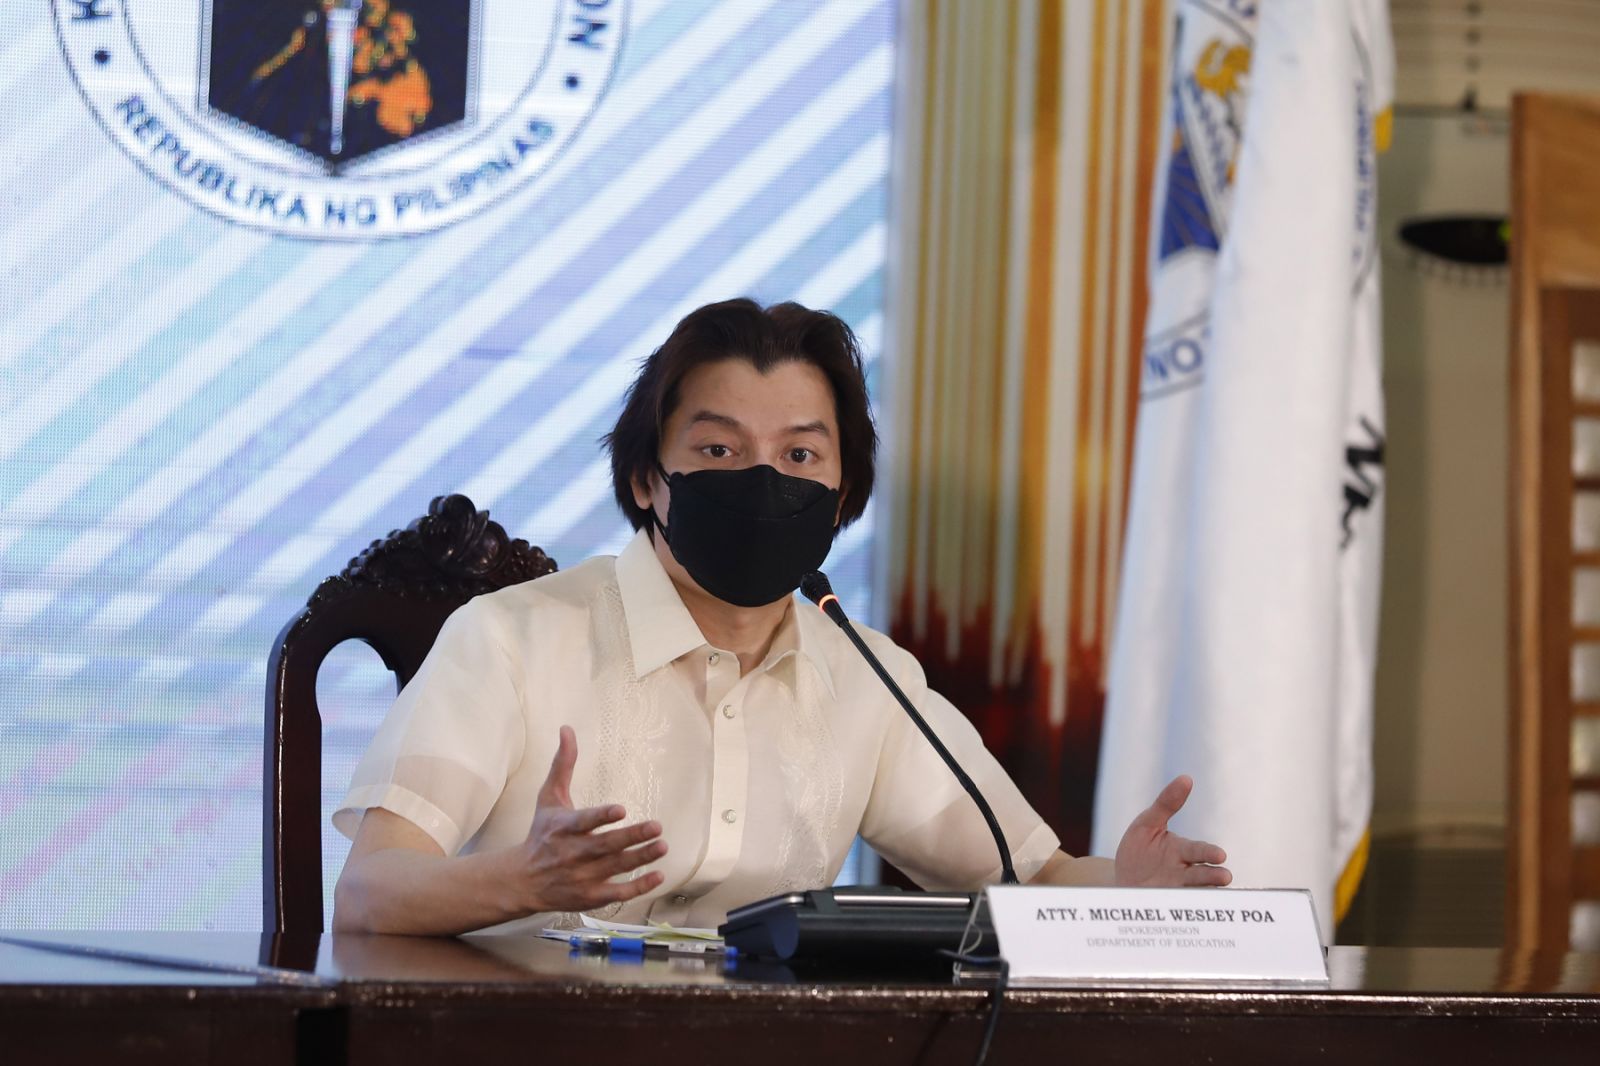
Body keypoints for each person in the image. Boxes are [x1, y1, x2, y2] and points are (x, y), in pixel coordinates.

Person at [332, 299, 1230, 935]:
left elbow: (1036, 874)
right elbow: (368, 893)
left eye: (800, 455)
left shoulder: (868, 679)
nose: (763, 481)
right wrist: (523, 881)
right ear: (647, 480)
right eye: (719, 449)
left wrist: (1128, 892)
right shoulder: (510, 639)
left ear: (842, 494)